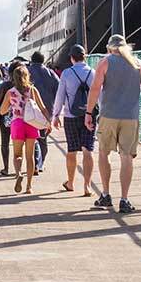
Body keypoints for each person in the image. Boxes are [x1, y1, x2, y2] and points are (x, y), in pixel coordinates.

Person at [84, 34, 141, 213]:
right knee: (127, 157)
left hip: (109, 115)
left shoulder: (105, 62)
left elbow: (95, 88)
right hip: (130, 117)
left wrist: (88, 112)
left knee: (103, 152)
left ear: (109, 48)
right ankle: (124, 199)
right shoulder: (138, 64)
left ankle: (106, 194)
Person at [0, 64, 50, 195]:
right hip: (31, 123)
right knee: (30, 156)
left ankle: (18, 173)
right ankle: (29, 186)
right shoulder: (32, 90)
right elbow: (43, 107)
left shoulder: (11, 92)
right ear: (27, 76)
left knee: (17, 155)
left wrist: (12, 106)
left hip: (17, 123)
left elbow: (2, 111)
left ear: (13, 78)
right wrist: (48, 122)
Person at [51, 44, 95, 196]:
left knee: (72, 150)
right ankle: (87, 186)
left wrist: (55, 115)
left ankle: (70, 182)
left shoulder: (67, 73)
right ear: (85, 56)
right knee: (87, 150)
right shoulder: (93, 72)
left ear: (71, 58)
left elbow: (60, 96)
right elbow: (100, 95)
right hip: (90, 115)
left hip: (71, 116)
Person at [0, 57, 25, 175]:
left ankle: (6, 168)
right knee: (22, 143)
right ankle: (20, 169)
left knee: (5, 142)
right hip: (21, 117)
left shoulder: (6, 85)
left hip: (6, 117)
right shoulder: (27, 86)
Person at [27, 51, 59, 174]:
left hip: (29, 110)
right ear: (43, 60)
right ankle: (40, 163)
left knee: (32, 137)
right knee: (42, 138)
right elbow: (59, 89)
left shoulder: (26, 71)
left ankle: (34, 163)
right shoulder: (50, 73)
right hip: (47, 110)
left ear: (32, 59)